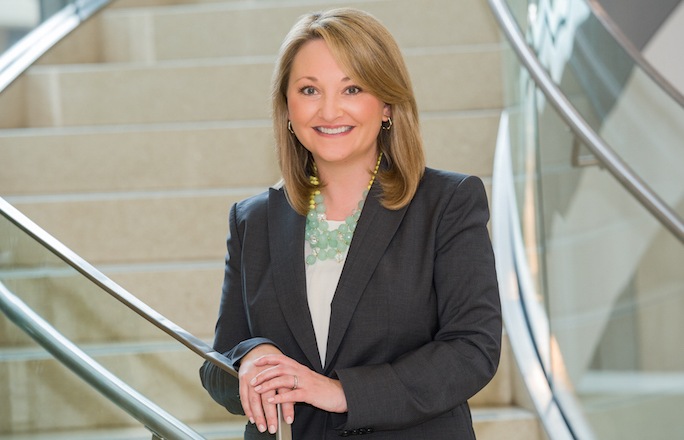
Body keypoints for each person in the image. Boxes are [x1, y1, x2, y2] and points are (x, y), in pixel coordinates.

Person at [200, 8, 502, 439]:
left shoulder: (447, 203)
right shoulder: (253, 220)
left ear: (386, 104)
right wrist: (251, 357)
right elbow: (217, 370)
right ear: (286, 107)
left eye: (352, 88)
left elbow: (473, 349)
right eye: (309, 89)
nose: (329, 110)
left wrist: (341, 393)